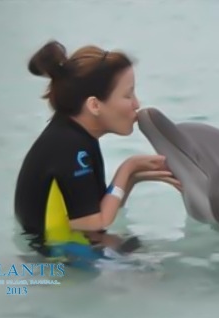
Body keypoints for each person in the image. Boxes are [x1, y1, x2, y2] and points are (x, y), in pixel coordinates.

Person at [14, 40, 181, 264]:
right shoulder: (71, 148)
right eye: (127, 95)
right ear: (94, 105)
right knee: (156, 270)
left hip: (67, 244)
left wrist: (134, 177)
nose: (136, 104)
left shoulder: (72, 135)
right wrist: (127, 168)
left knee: (147, 253)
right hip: (58, 257)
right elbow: (95, 222)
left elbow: (97, 207)